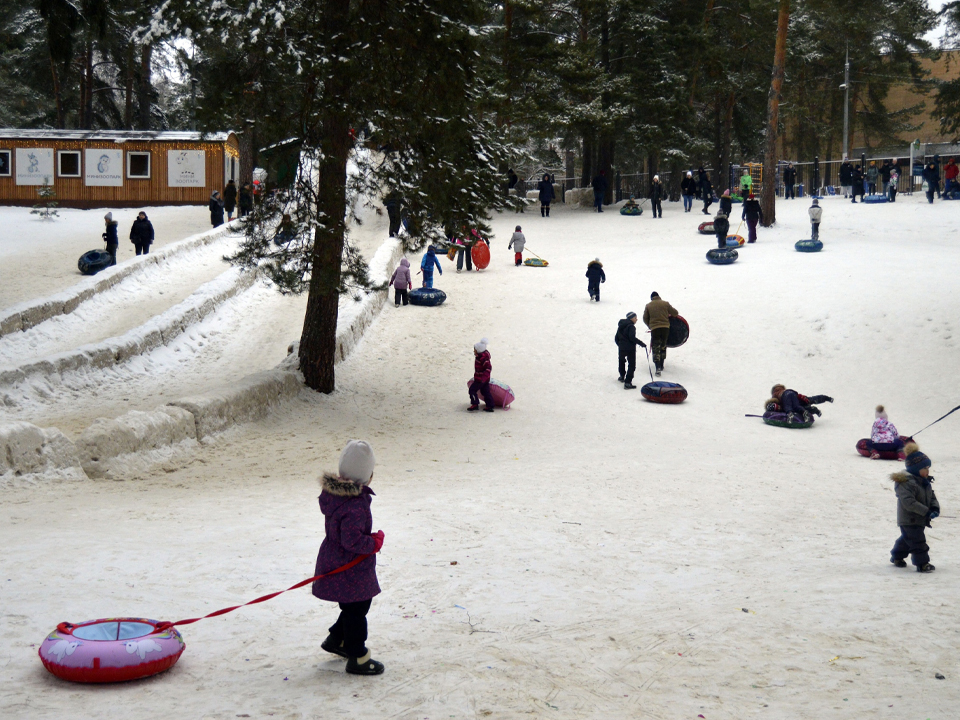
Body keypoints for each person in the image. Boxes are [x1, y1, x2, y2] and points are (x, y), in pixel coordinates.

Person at [314, 440, 386, 675]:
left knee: (351, 607)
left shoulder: (336, 496)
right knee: (357, 610)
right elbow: (352, 541)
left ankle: (337, 639)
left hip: (337, 561)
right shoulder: (355, 505)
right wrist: (373, 543)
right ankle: (358, 657)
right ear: (367, 476)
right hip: (349, 567)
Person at [890, 442, 939, 573]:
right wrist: (926, 511)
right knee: (917, 541)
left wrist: (934, 508)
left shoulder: (924, 481)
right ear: (916, 469)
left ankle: (897, 556)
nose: (928, 471)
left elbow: (931, 496)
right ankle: (922, 563)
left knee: (907, 540)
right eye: (925, 468)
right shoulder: (905, 483)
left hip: (920, 517)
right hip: (909, 519)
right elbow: (909, 502)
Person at [643, 292, 678, 377]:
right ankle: (662, 364)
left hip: (655, 328)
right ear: (659, 296)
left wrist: (650, 325)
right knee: (663, 345)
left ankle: (657, 367)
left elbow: (645, 318)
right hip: (665, 328)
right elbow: (675, 313)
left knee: (656, 346)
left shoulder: (648, 305)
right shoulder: (665, 303)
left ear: (652, 298)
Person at [768, 384, 833, 423]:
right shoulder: (785, 390)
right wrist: (800, 396)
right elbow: (796, 397)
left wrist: (774, 406)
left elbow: (776, 403)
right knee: (798, 406)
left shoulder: (776, 394)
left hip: (786, 396)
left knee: (788, 407)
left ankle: (789, 415)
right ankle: (806, 412)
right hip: (793, 394)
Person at [615, 312, 646, 390]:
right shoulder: (631, 326)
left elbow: (616, 338)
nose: (636, 319)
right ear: (631, 318)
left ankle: (622, 376)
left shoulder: (621, 326)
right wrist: (641, 343)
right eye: (635, 318)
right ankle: (628, 382)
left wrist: (620, 345)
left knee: (621, 361)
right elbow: (632, 337)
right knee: (631, 364)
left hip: (622, 347)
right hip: (630, 348)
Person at [468, 338, 494, 412]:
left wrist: (483, 377)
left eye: (475, 349)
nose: (474, 351)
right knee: (485, 392)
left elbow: (488, 368)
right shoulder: (479, 357)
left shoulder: (482, 358)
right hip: (483, 379)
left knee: (472, 390)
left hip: (481, 379)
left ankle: (475, 404)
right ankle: (490, 405)